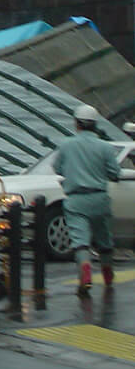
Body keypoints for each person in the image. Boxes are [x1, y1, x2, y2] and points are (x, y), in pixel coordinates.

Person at [53, 104, 121, 296]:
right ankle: (108, 273)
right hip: (99, 198)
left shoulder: (66, 145)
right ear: (95, 125)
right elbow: (114, 173)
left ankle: (85, 267)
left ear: (77, 124)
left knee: (80, 241)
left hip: (76, 200)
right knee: (104, 239)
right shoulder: (105, 147)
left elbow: (57, 168)